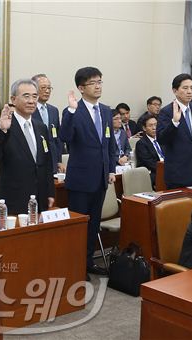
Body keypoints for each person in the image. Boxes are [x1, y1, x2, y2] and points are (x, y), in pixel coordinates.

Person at [60, 67, 118, 277]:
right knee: (79, 226)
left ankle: (87, 262)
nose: (98, 86)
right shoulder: (72, 111)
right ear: (81, 88)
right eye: (93, 82)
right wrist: (73, 111)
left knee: (93, 225)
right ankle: (75, 266)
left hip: (101, 178)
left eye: (100, 82)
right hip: (81, 179)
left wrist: (111, 169)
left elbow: (109, 144)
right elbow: (65, 137)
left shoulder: (105, 110)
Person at [0, 79, 55, 214]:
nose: (31, 101)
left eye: (34, 96)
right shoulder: (2, 126)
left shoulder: (41, 127)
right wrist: (2, 131)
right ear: (13, 99)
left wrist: (50, 192)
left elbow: (47, 163)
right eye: (26, 96)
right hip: (15, 198)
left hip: (40, 197)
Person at [157, 73, 192, 189]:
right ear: (175, 91)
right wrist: (174, 122)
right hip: (176, 171)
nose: (189, 91)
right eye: (185, 88)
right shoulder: (166, 111)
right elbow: (162, 139)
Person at [31, 74, 65, 174]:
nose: (47, 91)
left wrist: (59, 160)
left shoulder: (53, 110)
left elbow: (58, 138)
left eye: (49, 88)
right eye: (43, 88)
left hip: (53, 162)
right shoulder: (29, 109)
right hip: (35, 161)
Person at [135, 114, 165, 188]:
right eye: (151, 125)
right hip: (153, 172)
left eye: (156, 125)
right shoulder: (141, 143)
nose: (154, 128)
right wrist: (167, 168)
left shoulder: (163, 139)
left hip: (166, 169)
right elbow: (150, 163)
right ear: (144, 128)